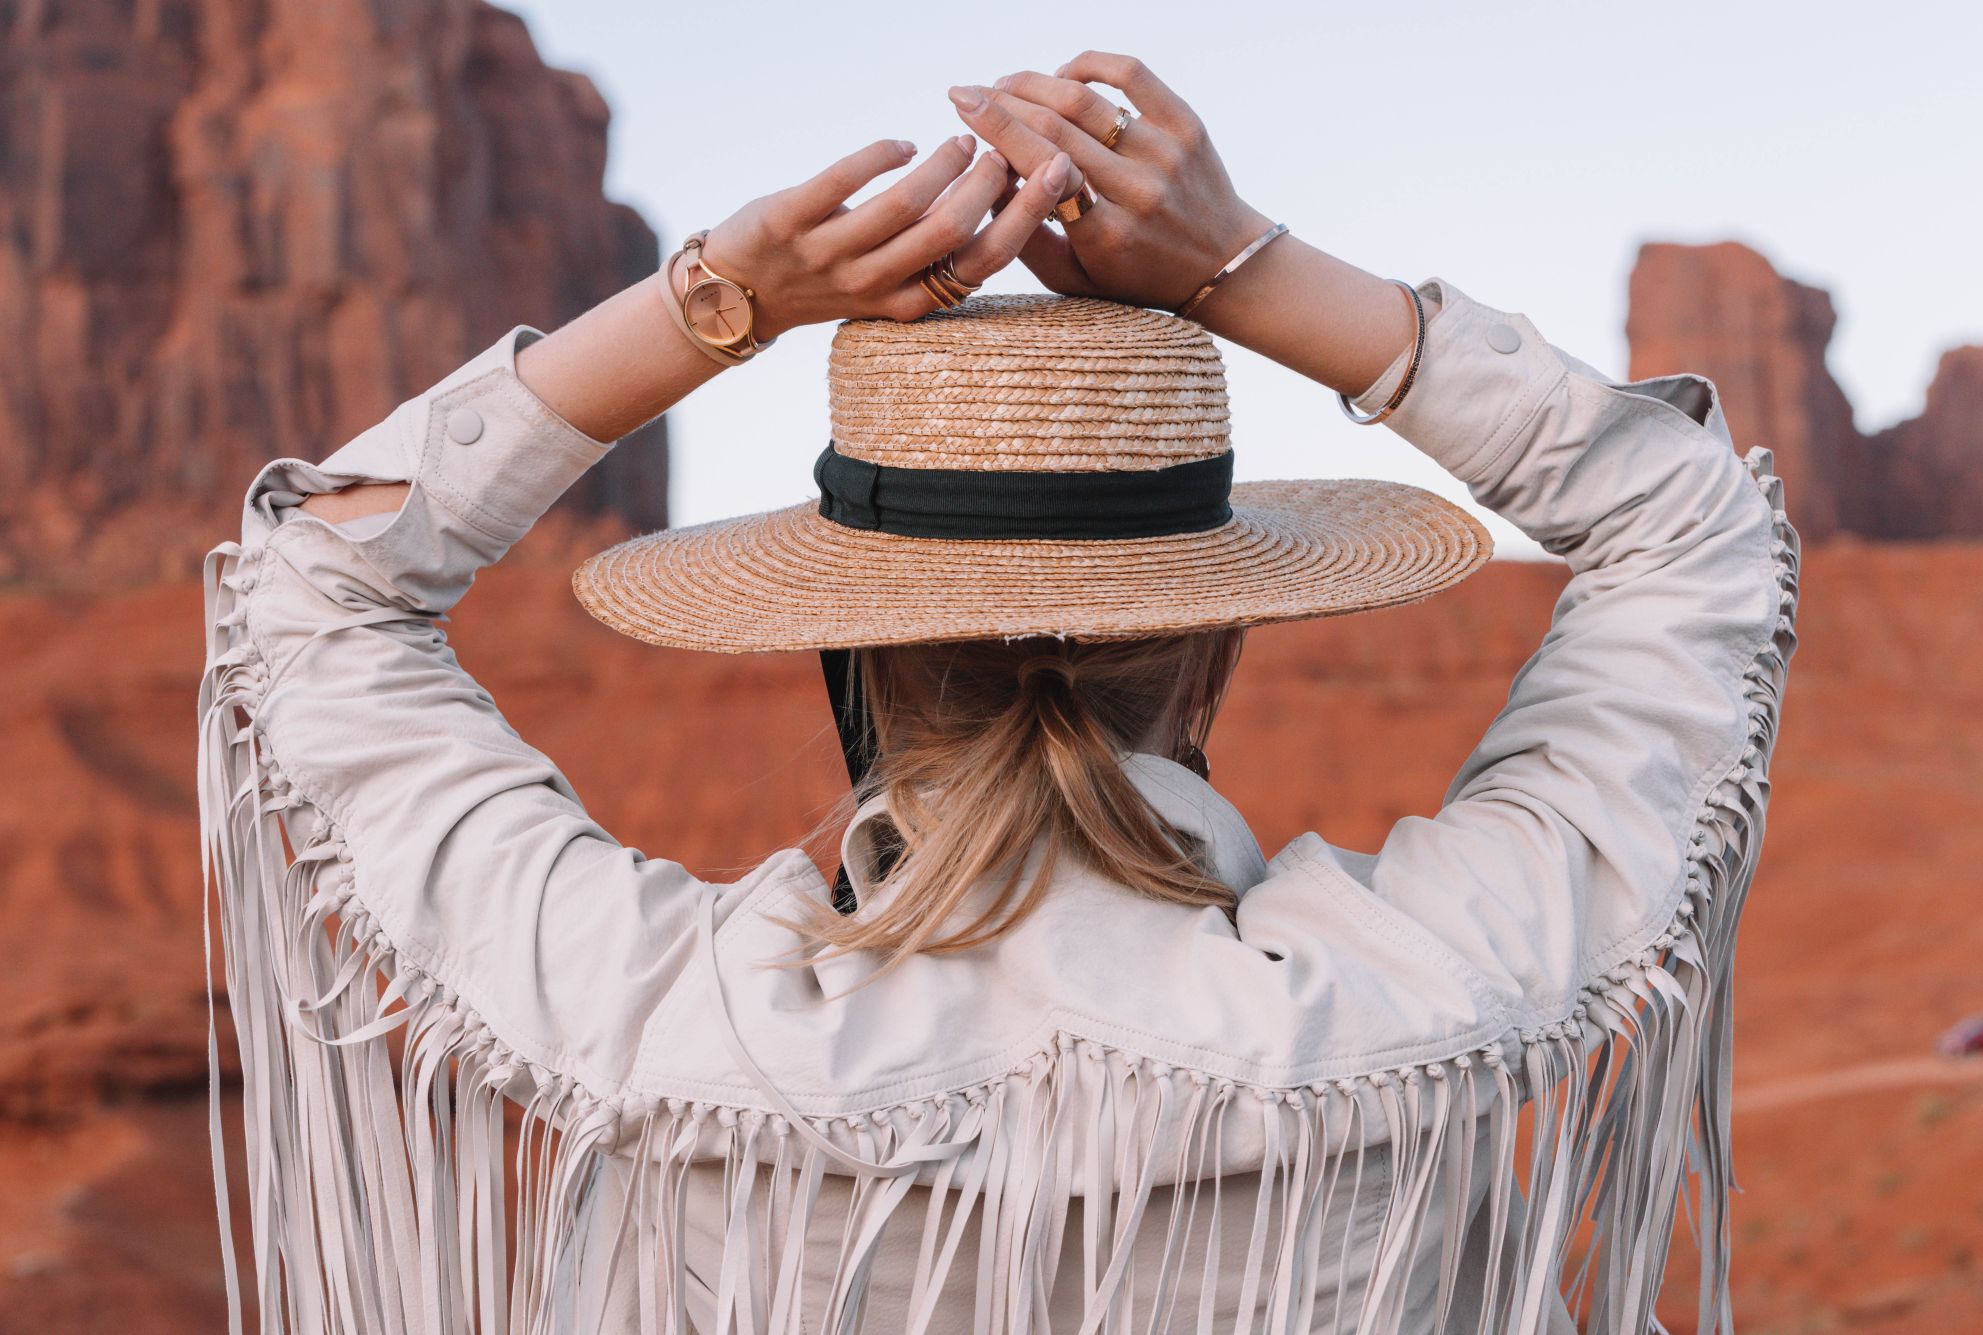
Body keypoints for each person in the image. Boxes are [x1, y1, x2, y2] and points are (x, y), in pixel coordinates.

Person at [199, 51, 1800, 1335]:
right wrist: (1238, 270)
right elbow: (1694, 522)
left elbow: (318, 582)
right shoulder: (1436, 983)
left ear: (848, 650)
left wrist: (721, 301)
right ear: (1220, 646)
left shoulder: (659, 1019)